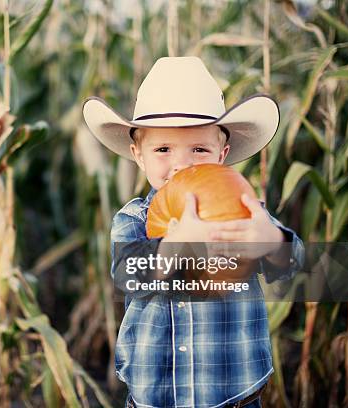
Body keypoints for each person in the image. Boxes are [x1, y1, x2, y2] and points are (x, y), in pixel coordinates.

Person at [82, 57, 304, 408]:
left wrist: (271, 241)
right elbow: (128, 274)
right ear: (138, 155)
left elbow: (291, 265)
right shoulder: (134, 218)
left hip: (233, 394)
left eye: (199, 149)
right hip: (155, 396)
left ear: (222, 154)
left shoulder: (245, 210)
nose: (182, 164)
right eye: (163, 150)